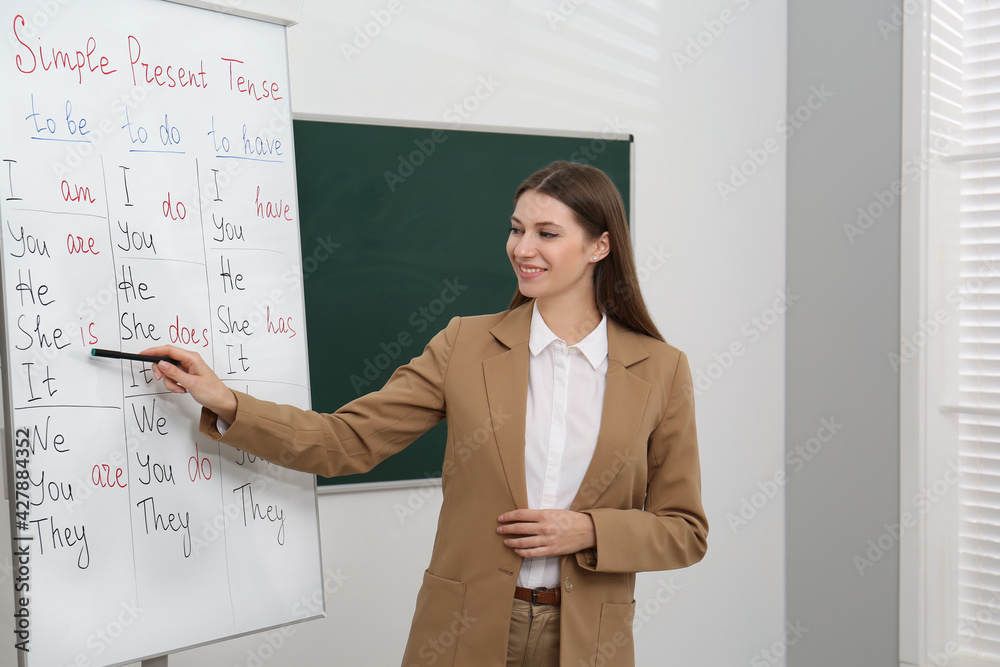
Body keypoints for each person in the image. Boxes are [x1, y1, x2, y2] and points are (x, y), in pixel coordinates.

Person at [142, 160, 708, 667]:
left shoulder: (660, 369)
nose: (522, 248)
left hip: (589, 640)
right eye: (516, 229)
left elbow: (684, 532)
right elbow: (347, 441)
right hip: (466, 631)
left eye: (547, 233)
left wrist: (587, 530)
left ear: (599, 247)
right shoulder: (466, 344)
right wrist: (226, 401)